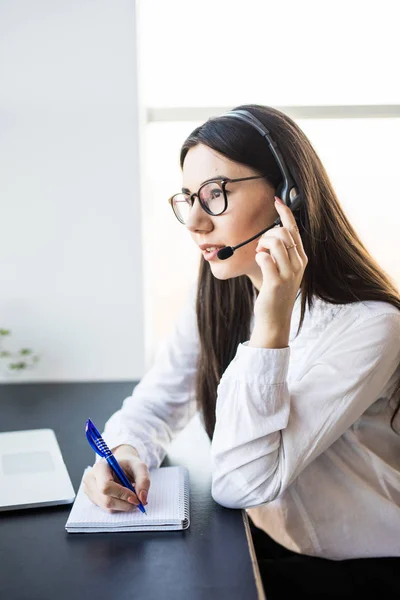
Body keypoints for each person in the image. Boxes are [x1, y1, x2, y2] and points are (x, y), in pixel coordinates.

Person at [83, 104, 400, 598]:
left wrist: (270, 326)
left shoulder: (370, 326)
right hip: (262, 541)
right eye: (188, 197)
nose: (193, 221)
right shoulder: (220, 289)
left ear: (287, 196)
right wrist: (126, 451)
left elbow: (240, 483)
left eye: (214, 195)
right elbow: (156, 402)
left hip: (362, 569)